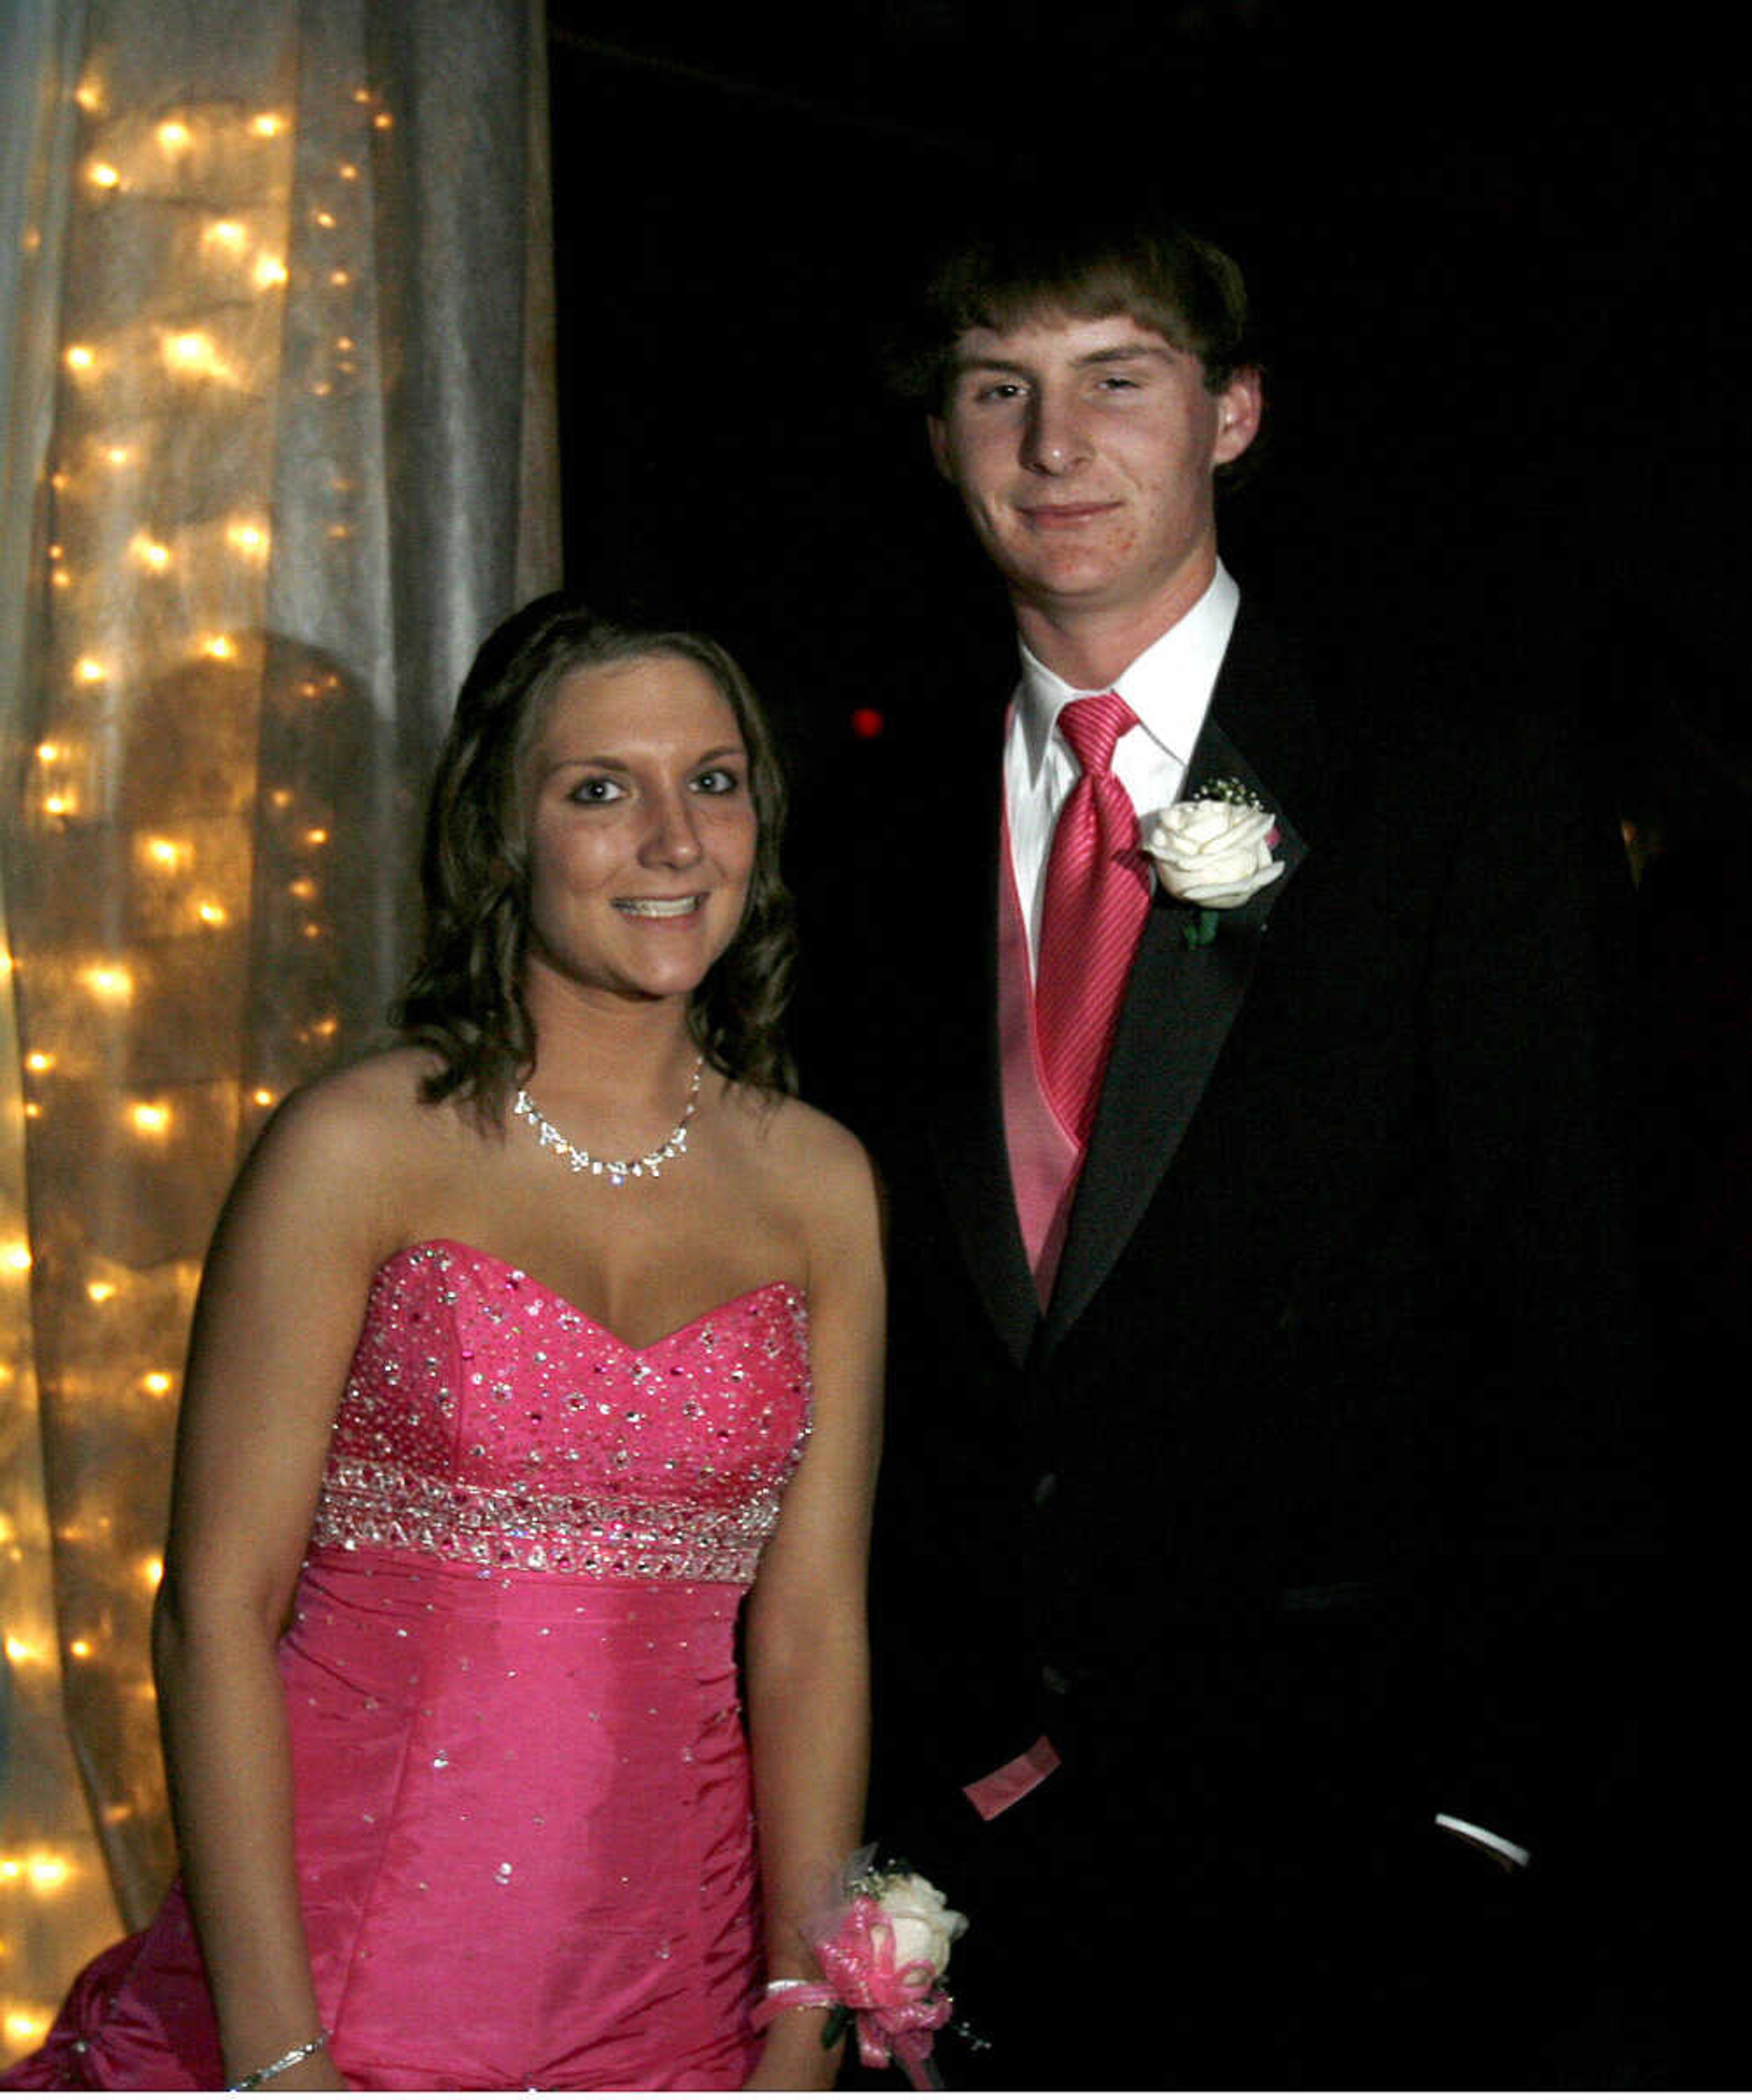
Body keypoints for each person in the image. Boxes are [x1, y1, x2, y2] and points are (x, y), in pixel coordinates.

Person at [807, 203, 1652, 2089]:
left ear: (1234, 416)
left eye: (1121, 379)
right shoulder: (860, 822)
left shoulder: (1445, 783)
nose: (1055, 444)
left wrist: (1494, 1799)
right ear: (941, 437)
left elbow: (1571, 1311)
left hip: (1358, 1834)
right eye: (996, 388)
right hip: (968, 1838)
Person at [5, 597, 884, 2091]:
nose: (675, 841)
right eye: (601, 790)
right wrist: (284, 2060)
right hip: (340, 1983)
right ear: (503, 833)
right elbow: (216, 1609)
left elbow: (808, 1633)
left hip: (677, 2009)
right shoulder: (360, 1148)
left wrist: (801, 2014)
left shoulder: (818, 1185)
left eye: (714, 781)